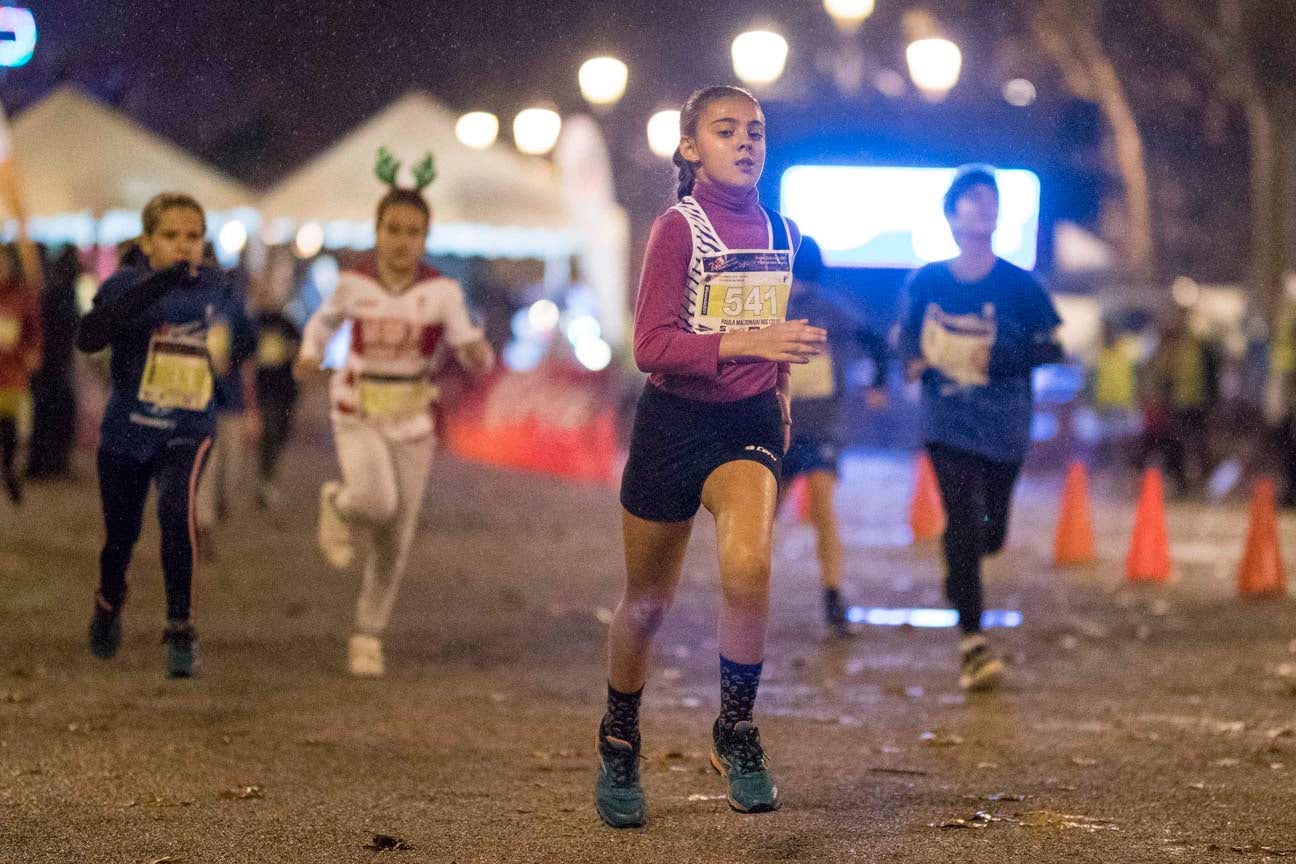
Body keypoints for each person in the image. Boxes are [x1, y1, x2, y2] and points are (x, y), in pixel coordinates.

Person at [596, 85, 826, 829]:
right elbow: (649, 347)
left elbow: (777, 330)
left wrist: (781, 385)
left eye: (756, 130)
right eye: (726, 130)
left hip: (747, 424)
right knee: (649, 603)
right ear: (691, 147)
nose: (746, 142)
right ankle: (620, 739)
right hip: (673, 424)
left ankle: (736, 729)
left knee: (751, 565)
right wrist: (748, 342)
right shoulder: (677, 229)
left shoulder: (785, 230)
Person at [294, 149, 494, 678]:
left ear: (425, 238)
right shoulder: (353, 283)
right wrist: (310, 352)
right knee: (375, 500)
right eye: (393, 229)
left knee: (395, 537)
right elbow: (321, 324)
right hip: (357, 407)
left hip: (413, 418)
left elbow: (470, 344)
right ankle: (338, 503)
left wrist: (477, 354)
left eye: (412, 231)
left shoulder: (442, 291)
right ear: (377, 231)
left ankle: (367, 634)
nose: (402, 240)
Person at [897, 165, 1061, 692]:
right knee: (963, 521)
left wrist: (998, 357)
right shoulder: (927, 280)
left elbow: (1054, 345)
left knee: (989, 533)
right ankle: (974, 642)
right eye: (971, 199)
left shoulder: (1019, 285)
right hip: (947, 422)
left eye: (990, 199)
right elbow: (904, 338)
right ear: (951, 214)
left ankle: (961, 559)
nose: (982, 206)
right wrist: (912, 360)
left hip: (1005, 425)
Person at [77, 193, 235, 678]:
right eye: (170, 236)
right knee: (120, 538)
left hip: (189, 426)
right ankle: (109, 600)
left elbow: (236, 342)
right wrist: (155, 285)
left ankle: (180, 626)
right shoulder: (126, 282)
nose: (183, 245)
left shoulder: (216, 287)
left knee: (175, 510)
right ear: (147, 241)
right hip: (129, 428)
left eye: (193, 236)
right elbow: (90, 337)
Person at [780, 235, 889, 636]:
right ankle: (832, 595)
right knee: (823, 512)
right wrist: (878, 384)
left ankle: (749, 593)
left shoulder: (782, 307)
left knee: (764, 518)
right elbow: (877, 343)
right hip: (817, 427)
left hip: (786, 427)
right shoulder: (833, 308)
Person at [194, 281, 255, 558]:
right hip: (197, 399)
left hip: (229, 398)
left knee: (230, 469)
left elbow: (250, 341)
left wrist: (233, 359)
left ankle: (215, 509)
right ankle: (201, 525)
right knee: (207, 463)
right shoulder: (183, 301)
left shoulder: (231, 304)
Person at [27, 245, 81, 480]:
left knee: (45, 413)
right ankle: (51, 462)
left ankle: (43, 462)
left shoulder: (49, 288)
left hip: (51, 364)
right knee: (54, 412)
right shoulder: (63, 292)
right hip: (56, 363)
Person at [0, 234, 43, 504]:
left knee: (10, 432)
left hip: (11, 376)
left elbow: (33, 331)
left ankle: (8, 471)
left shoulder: (21, 294)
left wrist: (33, 352)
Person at [251, 306, 302, 509]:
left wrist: (291, 350)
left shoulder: (287, 323)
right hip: (263, 390)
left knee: (279, 435)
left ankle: (268, 478)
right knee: (269, 434)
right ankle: (265, 480)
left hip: (285, 390)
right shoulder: (256, 320)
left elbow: (300, 349)